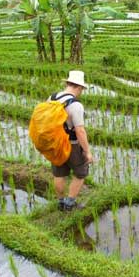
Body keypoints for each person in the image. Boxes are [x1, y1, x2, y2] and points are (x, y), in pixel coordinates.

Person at [51, 70, 93, 211]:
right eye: (82, 89)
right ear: (79, 87)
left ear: (68, 83)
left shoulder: (52, 98)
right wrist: (87, 152)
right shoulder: (75, 105)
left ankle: (61, 203)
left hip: (56, 143)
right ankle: (70, 204)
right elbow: (80, 131)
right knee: (80, 173)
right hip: (72, 145)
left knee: (59, 173)